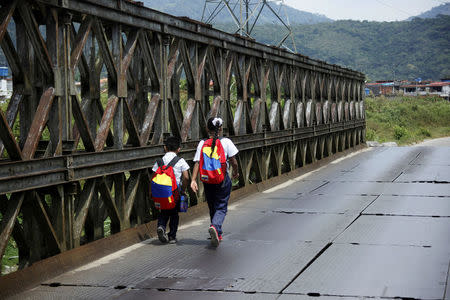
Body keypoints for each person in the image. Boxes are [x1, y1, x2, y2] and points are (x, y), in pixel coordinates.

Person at [190, 117, 239, 247]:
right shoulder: (226, 142)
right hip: (222, 179)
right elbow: (233, 160)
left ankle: (217, 231)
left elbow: (197, 162)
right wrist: (236, 172)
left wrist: (193, 180)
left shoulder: (202, 143)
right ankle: (215, 226)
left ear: (207, 129)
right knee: (221, 205)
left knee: (212, 205)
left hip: (207, 180)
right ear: (221, 128)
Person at [152, 136, 189, 244]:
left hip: (160, 190)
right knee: (174, 213)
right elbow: (186, 177)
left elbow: (153, 176)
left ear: (165, 148)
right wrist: (183, 190)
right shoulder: (180, 161)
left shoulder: (160, 160)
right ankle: (172, 236)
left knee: (163, 211)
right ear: (179, 149)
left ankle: (161, 226)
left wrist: (151, 192)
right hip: (174, 191)